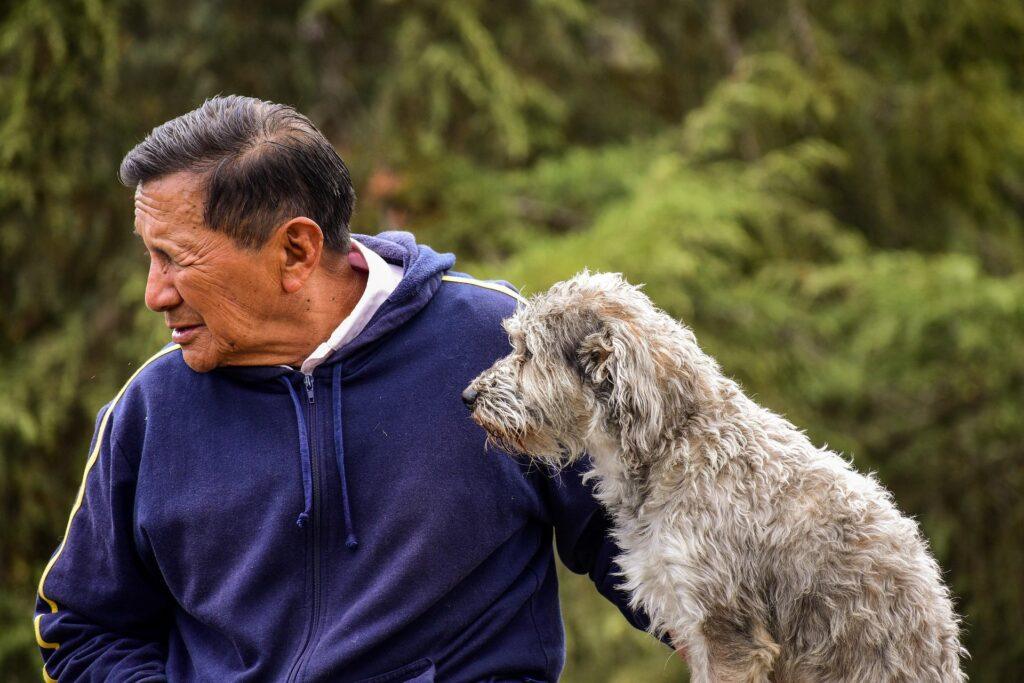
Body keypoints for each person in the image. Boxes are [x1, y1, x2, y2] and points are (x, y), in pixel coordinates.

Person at [33, 95, 668, 682]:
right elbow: (83, 631)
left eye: (176, 257)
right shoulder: (150, 410)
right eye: (149, 256)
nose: (155, 293)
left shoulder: (498, 344)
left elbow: (652, 539)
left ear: (296, 251)